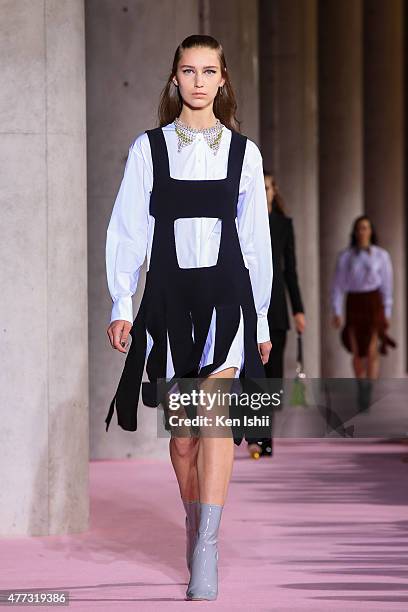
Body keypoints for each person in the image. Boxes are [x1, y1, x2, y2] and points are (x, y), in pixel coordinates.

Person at [104, 35, 273, 601]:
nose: (198, 80)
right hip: (170, 300)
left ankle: (208, 543)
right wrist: (121, 304)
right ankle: (194, 518)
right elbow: (127, 229)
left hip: (228, 297)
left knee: (215, 421)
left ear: (223, 80)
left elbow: (256, 243)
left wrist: (264, 322)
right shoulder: (147, 149)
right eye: (188, 70)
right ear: (175, 78)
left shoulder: (244, 154)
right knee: (182, 441)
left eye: (209, 71)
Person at [247, 172, 305, 459]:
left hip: (276, 309)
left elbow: (290, 269)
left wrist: (299, 309)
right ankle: (255, 435)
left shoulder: (284, 225)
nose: (265, 190)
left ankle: (264, 436)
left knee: (271, 378)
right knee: (251, 375)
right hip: (247, 301)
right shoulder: (242, 218)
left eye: (268, 186)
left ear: (274, 190)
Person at [331, 215, 396, 409]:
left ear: (371, 231)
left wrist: (387, 311)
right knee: (357, 351)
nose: (362, 232)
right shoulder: (346, 256)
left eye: (366, 228)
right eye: (359, 228)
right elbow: (337, 285)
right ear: (355, 232)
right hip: (355, 303)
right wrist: (336, 310)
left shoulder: (381, 256)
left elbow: (387, 285)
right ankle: (361, 384)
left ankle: (369, 387)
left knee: (372, 350)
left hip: (373, 302)